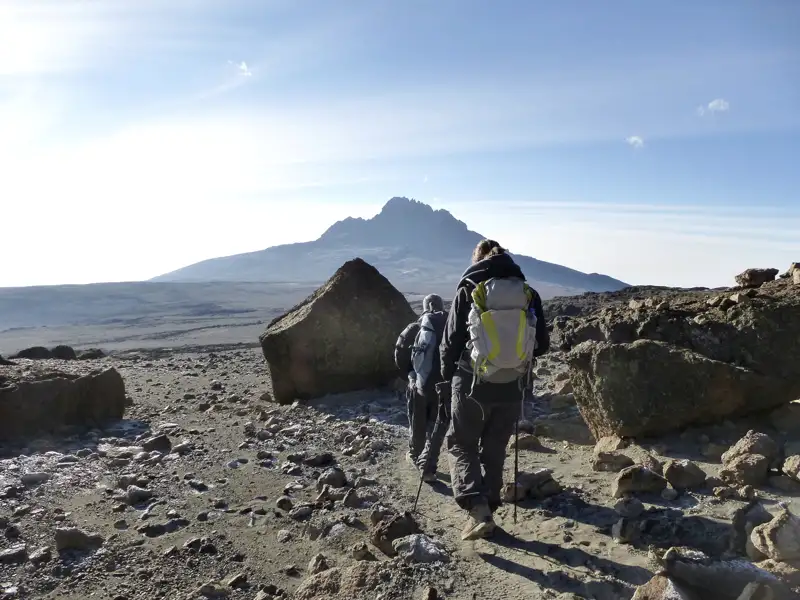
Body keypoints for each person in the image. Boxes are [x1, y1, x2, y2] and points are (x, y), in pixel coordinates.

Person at [440, 239, 549, 541]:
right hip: (512, 387)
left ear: (477, 260)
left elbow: (449, 343)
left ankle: (478, 510)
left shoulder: (469, 289)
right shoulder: (528, 294)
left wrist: (445, 378)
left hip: (472, 383)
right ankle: (488, 508)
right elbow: (542, 344)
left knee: (461, 443)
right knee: (494, 449)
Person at [394, 294, 447, 481]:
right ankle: (429, 464)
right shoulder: (450, 326)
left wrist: (409, 375)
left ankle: (416, 456)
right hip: (444, 386)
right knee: (436, 425)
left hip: (418, 384)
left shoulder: (415, 328)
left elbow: (399, 352)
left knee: (417, 421)